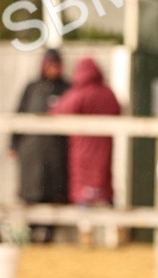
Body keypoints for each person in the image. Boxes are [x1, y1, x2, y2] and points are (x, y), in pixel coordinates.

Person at [50, 56, 121, 243]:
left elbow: (58, 111)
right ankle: (115, 232)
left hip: (81, 151)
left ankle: (86, 232)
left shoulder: (78, 93)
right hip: (104, 149)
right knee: (105, 192)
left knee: (83, 194)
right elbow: (119, 109)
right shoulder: (108, 93)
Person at [9, 48, 69, 243]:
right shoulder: (32, 87)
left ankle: (49, 234)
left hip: (56, 151)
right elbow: (19, 114)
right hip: (32, 149)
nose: (53, 69)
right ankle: (30, 232)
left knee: (53, 190)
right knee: (31, 190)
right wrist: (13, 142)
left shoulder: (67, 88)